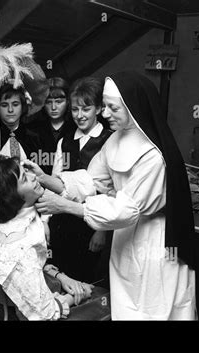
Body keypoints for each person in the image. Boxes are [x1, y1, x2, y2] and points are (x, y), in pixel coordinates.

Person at [24, 71, 196, 320]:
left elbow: (126, 210)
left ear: (133, 107)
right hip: (125, 237)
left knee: (152, 307)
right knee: (125, 304)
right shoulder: (115, 139)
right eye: (104, 106)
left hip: (153, 242)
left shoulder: (152, 157)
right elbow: (90, 179)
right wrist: (43, 178)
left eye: (112, 107)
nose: (104, 113)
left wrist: (65, 206)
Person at [0, 156, 94, 321]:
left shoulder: (8, 219)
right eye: (24, 178)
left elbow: (33, 265)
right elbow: (46, 314)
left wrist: (60, 277)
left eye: (27, 172)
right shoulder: (17, 244)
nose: (34, 176)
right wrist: (75, 296)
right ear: (11, 196)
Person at [48, 77, 113, 284]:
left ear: (98, 109)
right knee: (58, 277)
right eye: (75, 109)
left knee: (85, 280)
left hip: (90, 225)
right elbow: (54, 183)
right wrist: (45, 221)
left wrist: (100, 232)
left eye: (86, 109)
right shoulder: (64, 141)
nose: (79, 115)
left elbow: (111, 191)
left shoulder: (109, 140)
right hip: (61, 221)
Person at [0, 84, 41, 161]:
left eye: (15, 104)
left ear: (22, 107)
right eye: (4, 105)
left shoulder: (35, 139)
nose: (10, 110)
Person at [27, 77, 76, 174]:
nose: (53, 107)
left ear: (68, 101)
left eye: (58, 102)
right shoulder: (32, 130)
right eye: (48, 102)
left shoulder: (76, 127)